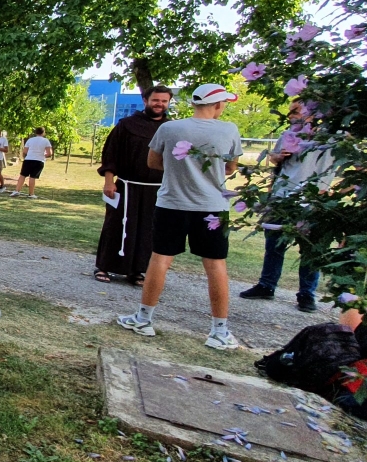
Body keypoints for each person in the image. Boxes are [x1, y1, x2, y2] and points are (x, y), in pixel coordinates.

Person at [117, 83, 243, 350]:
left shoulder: (169, 128)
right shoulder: (229, 129)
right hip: (212, 207)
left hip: (171, 204)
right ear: (217, 104)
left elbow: (153, 162)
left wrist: (180, 169)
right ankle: (219, 331)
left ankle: (144, 318)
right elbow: (231, 167)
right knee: (216, 265)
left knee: (160, 260)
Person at [239, 101, 335, 312]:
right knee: (274, 244)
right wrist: (277, 157)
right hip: (281, 198)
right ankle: (266, 285)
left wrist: (324, 194)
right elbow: (275, 160)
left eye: (296, 111)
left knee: (310, 248)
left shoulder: (329, 138)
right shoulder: (287, 134)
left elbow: (335, 170)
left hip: (311, 200)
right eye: (290, 111)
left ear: (312, 113)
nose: (290, 115)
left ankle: (306, 294)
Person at [95, 86, 173, 285]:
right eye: (156, 100)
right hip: (127, 186)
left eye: (164, 101)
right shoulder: (127, 125)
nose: (159, 104)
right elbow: (111, 153)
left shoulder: (171, 128)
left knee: (147, 230)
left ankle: (137, 270)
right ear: (145, 100)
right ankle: (104, 266)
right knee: (116, 226)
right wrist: (109, 181)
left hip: (156, 189)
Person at [10, 128, 52, 198]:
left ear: (36, 132)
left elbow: (25, 151)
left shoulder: (30, 140)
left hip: (28, 159)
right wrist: (43, 155)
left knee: (22, 175)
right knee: (32, 177)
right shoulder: (45, 141)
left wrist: (28, 155)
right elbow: (49, 153)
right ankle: (31, 194)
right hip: (39, 160)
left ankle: (17, 191)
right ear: (43, 133)